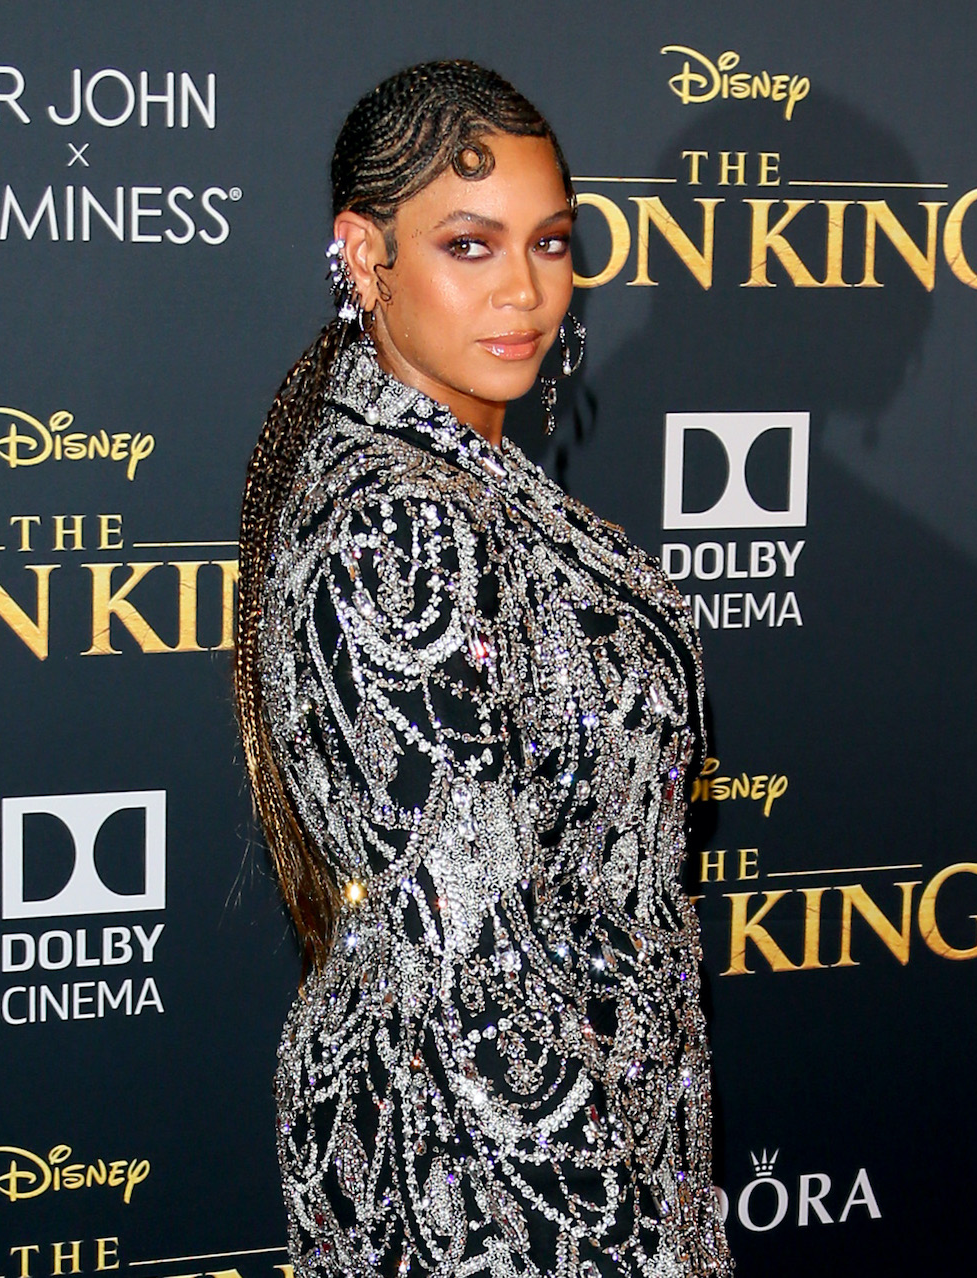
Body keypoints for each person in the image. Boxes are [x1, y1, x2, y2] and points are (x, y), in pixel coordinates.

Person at [233, 61, 731, 1278]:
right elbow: (474, 967)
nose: (524, 290)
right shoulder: (398, 525)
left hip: (582, 1122)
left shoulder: (454, 481)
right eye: (469, 244)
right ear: (364, 254)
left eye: (549, 242)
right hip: (495, 1167)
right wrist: (617, 1244)